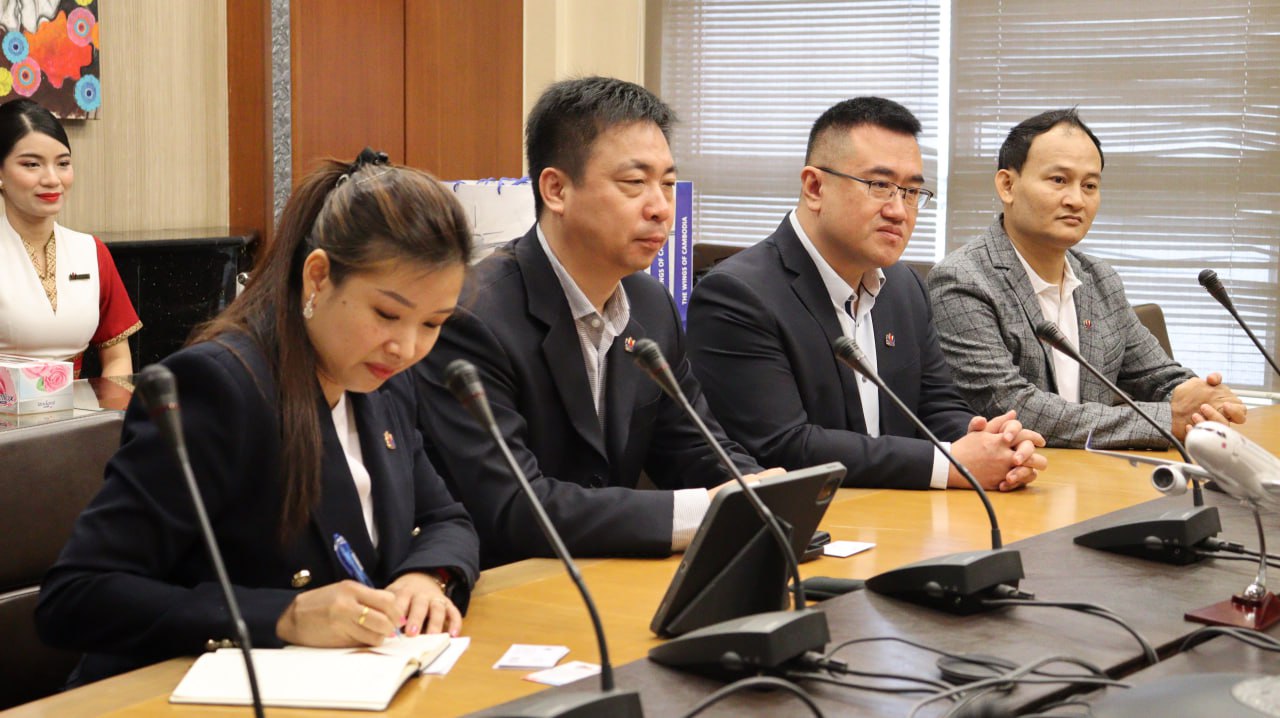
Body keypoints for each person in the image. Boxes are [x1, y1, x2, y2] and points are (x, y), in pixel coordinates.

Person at [36, 149, 480, 686]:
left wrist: (426, 577)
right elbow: (78, 595)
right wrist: (284, 616)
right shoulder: (218, 387)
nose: (406, 347)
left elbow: (445, 518)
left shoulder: (381, 381)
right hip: (174, 693)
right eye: (387, 314)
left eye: (432, 324)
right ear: (318, 277)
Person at [412, 76, 772, 568]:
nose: (660, 208)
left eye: (668, 184)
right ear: (556, 189)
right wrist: (700, 512)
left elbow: (694, 445)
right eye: (634, 183)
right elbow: (515, 507)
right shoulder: (473, 317)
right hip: (508, 584)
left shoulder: (651, 305)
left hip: (607, 573)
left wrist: (761, 495)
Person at [687, 97, 1046, 491]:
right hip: (809, 517)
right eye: (879, 186)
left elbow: (936, 406)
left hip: (899, 514)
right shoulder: (737, 294)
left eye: (912, 192)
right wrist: (949, 464)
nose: (899, 211)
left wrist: (991, 444)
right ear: (814, 187)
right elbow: (782, 445)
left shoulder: (905, 287)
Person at [927, 109, 1247, 449]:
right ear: (1008, 185)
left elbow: (1154, 374)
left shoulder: (1099, 279)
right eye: (1058, 180)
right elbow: (1012, 406)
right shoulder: (962, 280)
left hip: (1093, 470)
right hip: (1016, 473)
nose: (1076, 200)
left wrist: (1202, 396)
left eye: (1089, 186)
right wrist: (1167, 420)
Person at [0, 99, 140, 377]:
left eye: (63, 163)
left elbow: (117, 358)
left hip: (77, 405)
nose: (53, 179)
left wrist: (110, 404)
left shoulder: (90, 251)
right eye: (32, 164)